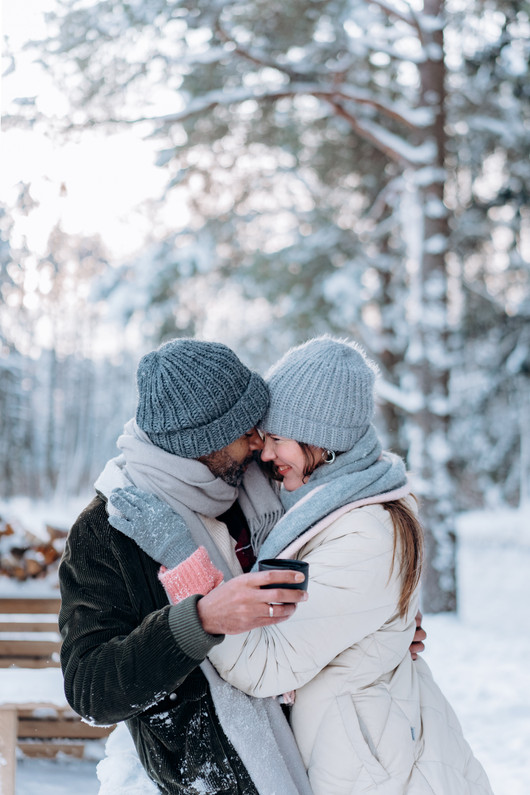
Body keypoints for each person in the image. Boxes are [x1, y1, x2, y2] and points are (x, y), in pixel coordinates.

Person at [113, 337, 493, 795]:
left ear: (323, 443)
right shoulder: (326, 501)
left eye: (276, 439)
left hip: (371, 772)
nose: (264, 453)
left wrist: (185, 562)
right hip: (359, 751)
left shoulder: (366, 533)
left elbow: (265, 666)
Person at [58, 338, 313, 795]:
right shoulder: (107, 531)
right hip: (210, 778)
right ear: (199, 445)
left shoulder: (260, 487)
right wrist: (197, 623)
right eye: (241, 432)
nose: (258, 440)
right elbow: (90, 689)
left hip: (316, 750)